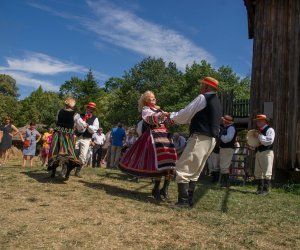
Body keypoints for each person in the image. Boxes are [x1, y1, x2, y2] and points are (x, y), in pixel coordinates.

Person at [169, 76, 222, 208]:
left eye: (201, 85)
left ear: (205, 86)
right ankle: (189, 200)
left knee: (183, 167)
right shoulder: (217, 102)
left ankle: (183, 201)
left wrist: (171, 116)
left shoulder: (202, 98)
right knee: (195, 170)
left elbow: (185, 114)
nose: (200, 87)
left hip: (200, 137)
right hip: (211, 139)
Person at [119, 90, 177, 201]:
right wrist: (162, 114)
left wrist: (171, 117)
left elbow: (167, 122)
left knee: (171, 161)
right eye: (151, 97)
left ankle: (165, 189)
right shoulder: (146, 110)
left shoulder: (159, 110)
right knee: (160, 161)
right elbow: (150, 119)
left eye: (154, 97)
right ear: (146, 100)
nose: (154, 99)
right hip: (155, 136)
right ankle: (156, 188)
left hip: (165, 135)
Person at [47, 98, 82, 180]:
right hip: (68, 137)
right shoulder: (75, 115)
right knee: (70, 155)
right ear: (73, 105)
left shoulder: (60, 111)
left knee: (55, 153)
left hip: (58, 135)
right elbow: (81, 127)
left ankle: (53, 173)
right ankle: (67, 174)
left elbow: (57, 120)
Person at [74, 102, 100, 177]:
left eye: (92, 109)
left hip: (86, 138)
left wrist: (88, 126)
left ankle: (78, 171)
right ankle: (67, 169)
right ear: (87, 108)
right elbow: (74, 124)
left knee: (83, 156)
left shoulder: (95, 119)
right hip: (77, 137)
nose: (91, 110)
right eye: (89, 108)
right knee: (73, 153)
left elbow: (95, 129)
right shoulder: (79, 116)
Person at [253, 114, 275, 195]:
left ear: (265, 121)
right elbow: (257, 143)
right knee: (258, 172)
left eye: (260, 120)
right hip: (259, 152)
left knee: (267, 172)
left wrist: (259, 136)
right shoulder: (258, 131)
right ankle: (260, 189)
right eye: (257, 120)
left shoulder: (270, 130)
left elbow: (269, 141)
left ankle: (265, 190)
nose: (258, 121)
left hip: (267, 152)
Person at [219, 115, 237, 188]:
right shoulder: (228, 127)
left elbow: (227, 139)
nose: (223, 121)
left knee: (225, 166)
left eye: (224, 120)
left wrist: (220, 135)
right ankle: (224, 183)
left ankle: (225, 183)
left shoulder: (231, 128)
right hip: (225, 148)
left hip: (227, 148)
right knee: (223, 165)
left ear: (226, 121)